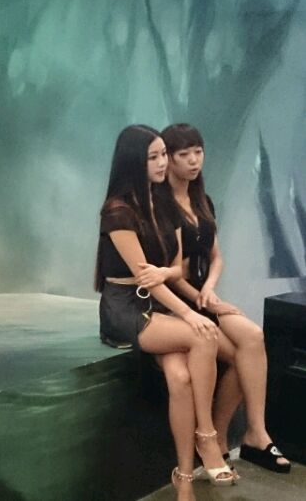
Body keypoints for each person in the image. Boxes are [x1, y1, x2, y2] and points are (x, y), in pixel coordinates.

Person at [95, 125, 232, 501]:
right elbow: (145, 278)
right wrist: (188, 313)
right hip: (125, 306)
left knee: (180, 377)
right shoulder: (117, 212)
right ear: (132, 162)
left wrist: (181, 287)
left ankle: (183, 478)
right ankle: (207, 436)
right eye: (152, 157)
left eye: (162, 155)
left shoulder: (162, 204)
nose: (161, 163)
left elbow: (175, 269)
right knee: (203, 334)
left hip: (157, 304)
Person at [161, 122, 289, 474]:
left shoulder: (202, 201)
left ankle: (256, 433)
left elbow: (217, 257)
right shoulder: (161, 206)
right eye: (184, 154)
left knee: (253, 337)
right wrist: (203, 298)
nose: (194, 160)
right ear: (168, 159)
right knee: (236, 353)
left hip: (203, 297)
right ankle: (214, 438)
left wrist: (210, 290)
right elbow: (173, 273)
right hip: (175, 301)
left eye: (198, 152)